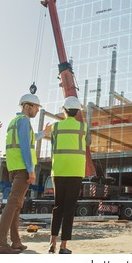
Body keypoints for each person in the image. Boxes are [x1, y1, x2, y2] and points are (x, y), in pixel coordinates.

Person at [0, 94, 51, 254]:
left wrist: (43, 133)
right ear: (27, 106)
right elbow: (25, 146)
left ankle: (16, 241)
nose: (38, 110)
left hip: (14, 167)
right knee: (13, 204)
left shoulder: (15, 121)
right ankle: (0, 242)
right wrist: (31, 170)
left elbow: (29, 139)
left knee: (16, 205)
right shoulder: (24, 121)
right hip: (23, 168)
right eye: (36, 107)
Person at [48, 96, 86, 254]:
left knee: (58, 207)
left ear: (63, 110)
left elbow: (52, 147)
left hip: (59, 170)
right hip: (75, 171)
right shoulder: (83, 127)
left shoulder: (55, 127)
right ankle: (63, 246)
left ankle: (52, 243)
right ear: (78, 112)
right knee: (69, 208)